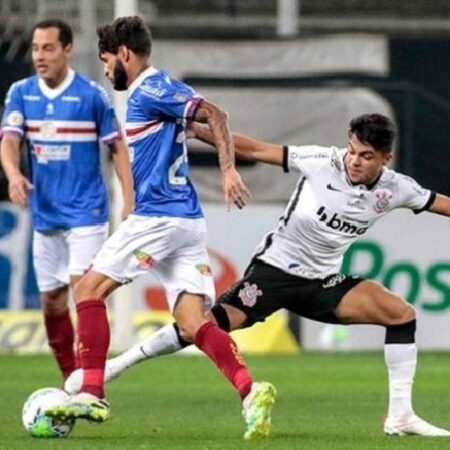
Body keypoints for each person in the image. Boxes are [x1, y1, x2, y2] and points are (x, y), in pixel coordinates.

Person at [66, 113, 450, 437]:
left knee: (401, 314)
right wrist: (202, 132)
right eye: (352, 150)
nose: (353, 161)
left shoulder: (396, 188)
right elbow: (256, 149)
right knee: (200, 326)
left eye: (365, 157)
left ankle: (400, 415)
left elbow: (438, 203)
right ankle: (117, 365)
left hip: (323, 283)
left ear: (385, 159)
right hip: (273, 273)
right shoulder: (321, 161)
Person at [45, 16, 275, 440]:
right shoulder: (157, 97)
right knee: (193, 322)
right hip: (186, 223)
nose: (106, 69)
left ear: (124, 55)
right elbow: (200, 126)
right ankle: (250, 390)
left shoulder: (150, 87)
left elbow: (216, 113)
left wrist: (228, 170)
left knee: (88, 290)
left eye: (107, 60)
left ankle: (92, 391)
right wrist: (219, 145)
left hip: (159, 217)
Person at [0, 19, 134, 381]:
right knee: (51, 303)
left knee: (85, 295)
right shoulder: (21, 93)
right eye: (35, 48)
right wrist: (14, 175)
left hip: (87, 214)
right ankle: (70, 382)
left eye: (48, 48)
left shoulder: (91, 95)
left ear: (67, 50)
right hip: (46, 217)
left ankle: (91, 384)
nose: (39, 56)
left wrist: (128, 198)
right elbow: (9, 141)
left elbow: (117, 148)